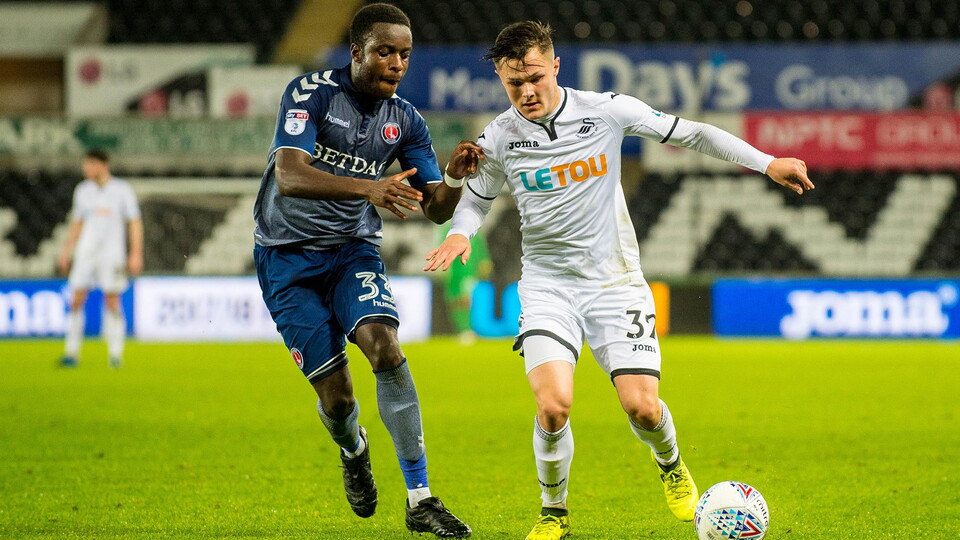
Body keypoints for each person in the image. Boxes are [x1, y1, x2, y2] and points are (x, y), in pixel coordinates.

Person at [424, 21, 814, 540]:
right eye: (514, 83)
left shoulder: (606, 110)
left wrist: (766, 163)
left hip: (615, 282)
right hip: (547, 286)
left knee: (643, 408)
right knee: (553, 406)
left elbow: (694, 133)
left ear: (555, 66)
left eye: (535, 77)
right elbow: (476, 200)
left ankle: (670, 464)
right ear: (501, 79)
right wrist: (461, 234)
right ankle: (553, 512)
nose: (526, 91)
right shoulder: (498, 137)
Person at [253, 4, 475, 538]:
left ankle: (420, 499)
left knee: (385, 347)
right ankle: (353, 449)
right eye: (385, 51)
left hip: (352, 250)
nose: (397, 63)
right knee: (338, 398)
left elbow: (434, 209)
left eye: (405, 54)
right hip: (286, 257)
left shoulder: (407, 120)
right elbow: (289, 175)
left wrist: (451, 177)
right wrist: (369, 188)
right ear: (356, 52)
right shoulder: (310, 93)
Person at [57, 148, 143, 369]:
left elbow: (134, 221)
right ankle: (71, 352)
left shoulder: (122, 190)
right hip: (86, 253)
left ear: (103, 165)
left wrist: (135, 253)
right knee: (76, 299)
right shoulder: (82, 190)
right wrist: (66, 250)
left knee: (112, 300)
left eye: (90, 164)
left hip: (112, 254)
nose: (86, 168)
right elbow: (77, 222)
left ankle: (115, 354)